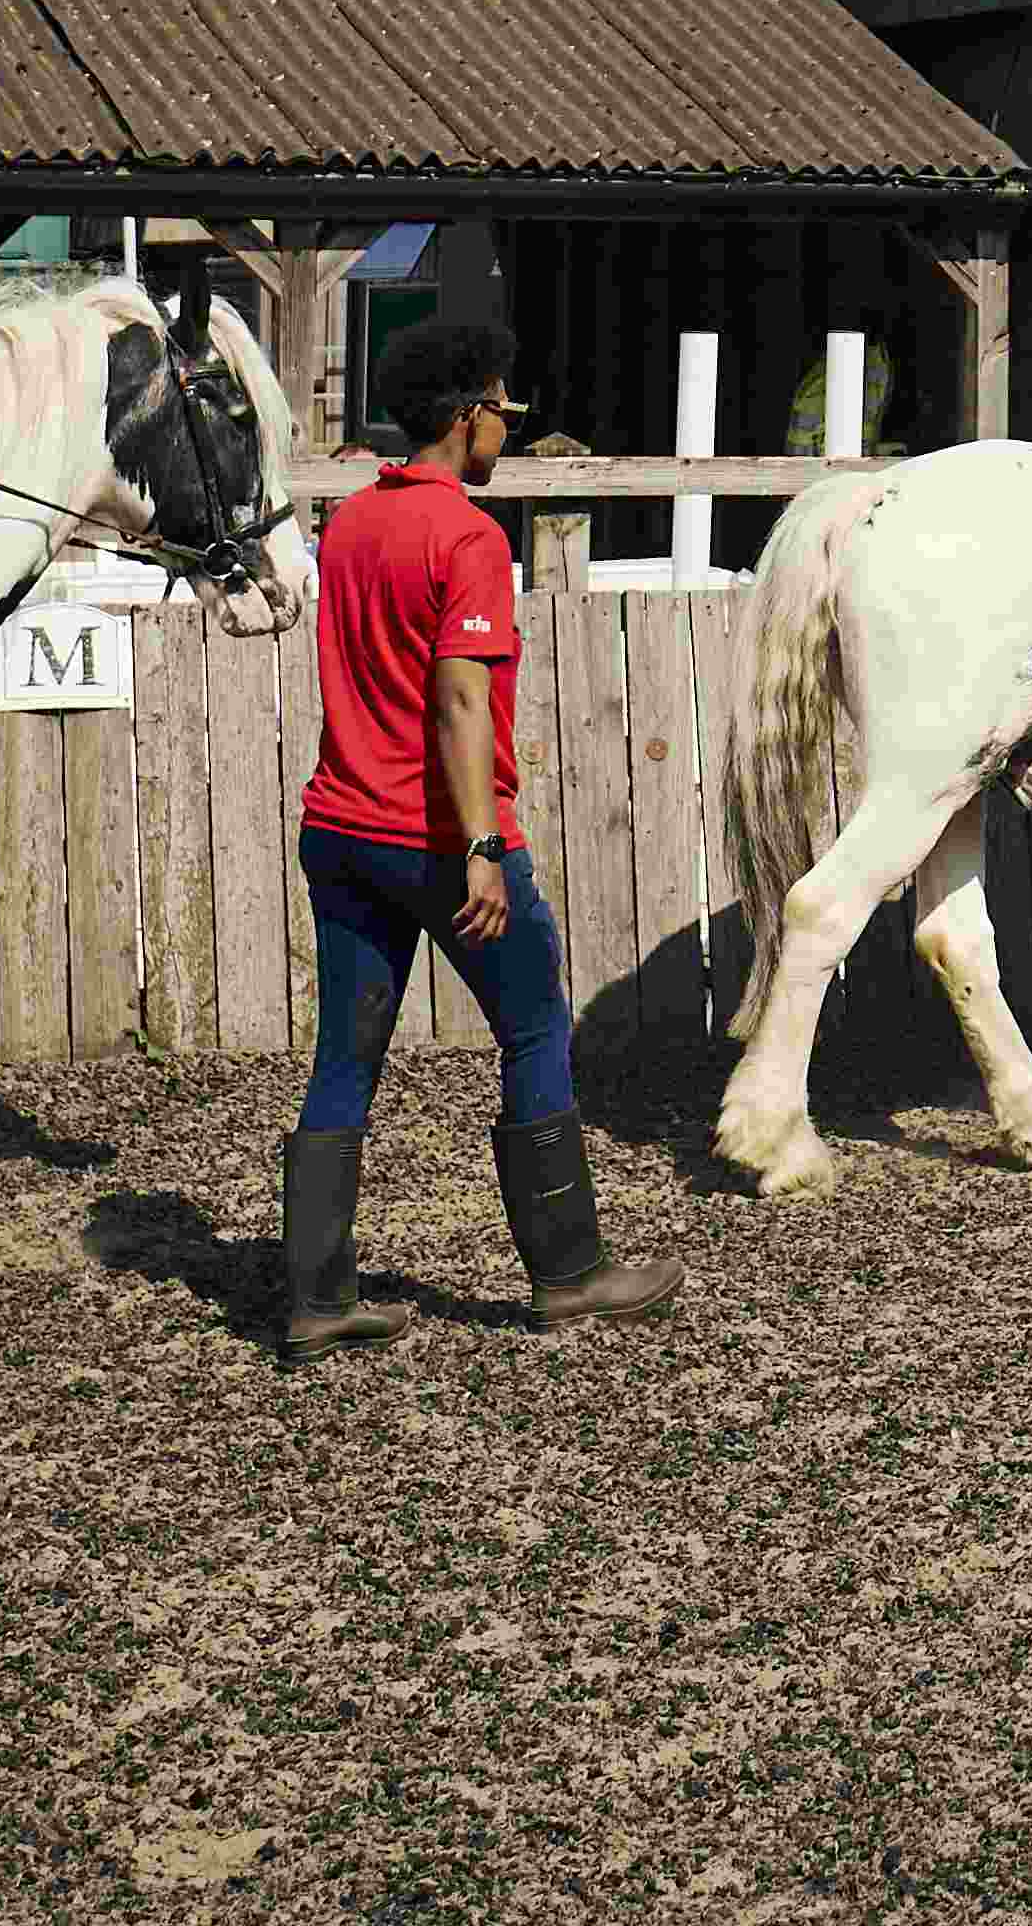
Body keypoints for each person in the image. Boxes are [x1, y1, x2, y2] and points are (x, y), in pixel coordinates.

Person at [279, 312, 678, 1350]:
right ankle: (569, 1274)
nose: (510, 425)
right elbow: (459, 700)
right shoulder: (467, 536)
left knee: (344, 1056)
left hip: (339, 827)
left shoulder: (350, 523)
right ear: (467, 415)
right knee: (535, 1026)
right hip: (434, 838)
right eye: (505, 407)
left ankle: (316, 1300)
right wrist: (481, 847)